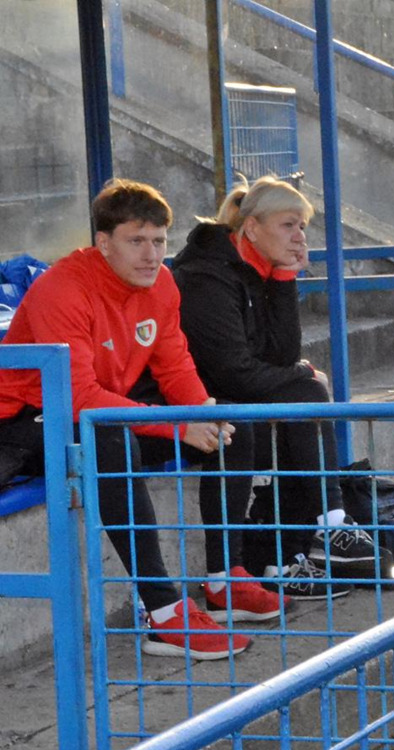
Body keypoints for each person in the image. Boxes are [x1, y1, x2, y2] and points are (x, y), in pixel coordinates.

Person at [0, 179, 284, 660]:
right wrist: (178, 427)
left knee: (231, 428)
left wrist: (202, 415)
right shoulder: (62, 289)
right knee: (112, 442)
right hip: (25, 420)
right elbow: (76, 396)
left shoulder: (161, 283)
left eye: (159, 241)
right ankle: (164, 613)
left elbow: (175, 366)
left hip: (92, 409)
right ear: (103, 242)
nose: (151, 255)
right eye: (136, 241)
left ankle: (225, 582)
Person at [173, 176, 377, 598]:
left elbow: (281, 355)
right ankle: (315, 535)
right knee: (301, 401)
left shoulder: (256, 268)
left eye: (302, 226)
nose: (299, 236)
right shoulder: (206, 277)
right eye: (288, 225)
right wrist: (301, 374)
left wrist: (284, 278)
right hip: (193, 404)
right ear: (252, 228)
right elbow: (233, 373)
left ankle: (289, 554)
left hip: (234, 401)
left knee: (301, 410)